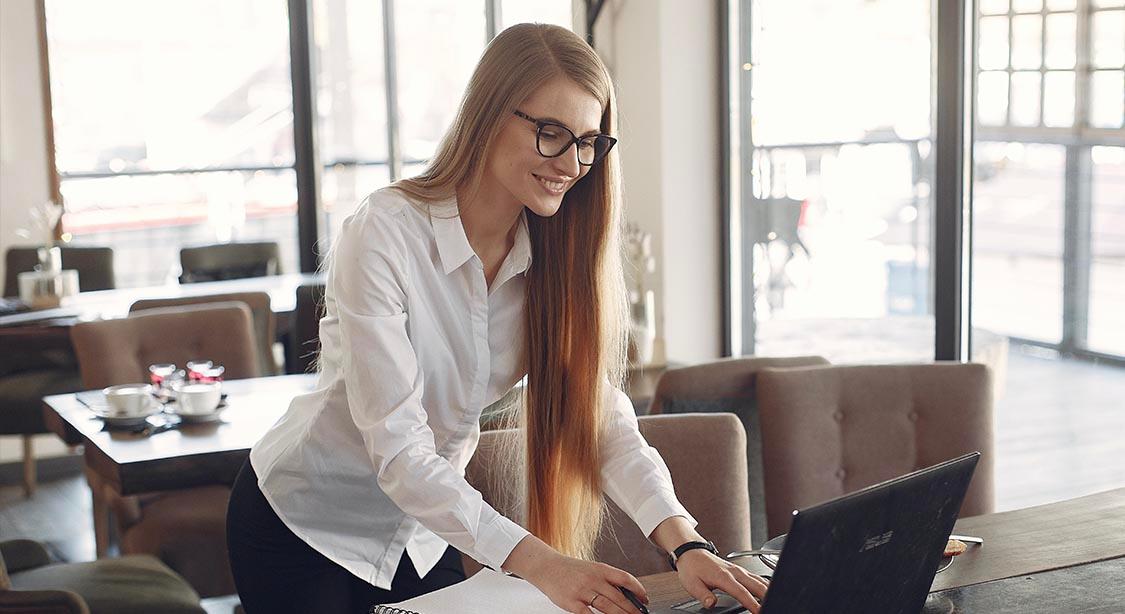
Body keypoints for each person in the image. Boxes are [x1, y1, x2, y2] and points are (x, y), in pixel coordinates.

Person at [226, 23, 769, 614]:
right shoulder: (384, 232)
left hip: (421, 538)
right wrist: (545, 566)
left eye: (588, 141)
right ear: (487, 115)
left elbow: (599, 416)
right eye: (551, 133)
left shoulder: (557, 255)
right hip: (305, 527)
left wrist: (684, 543)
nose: (572, 163)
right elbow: (402, 452)